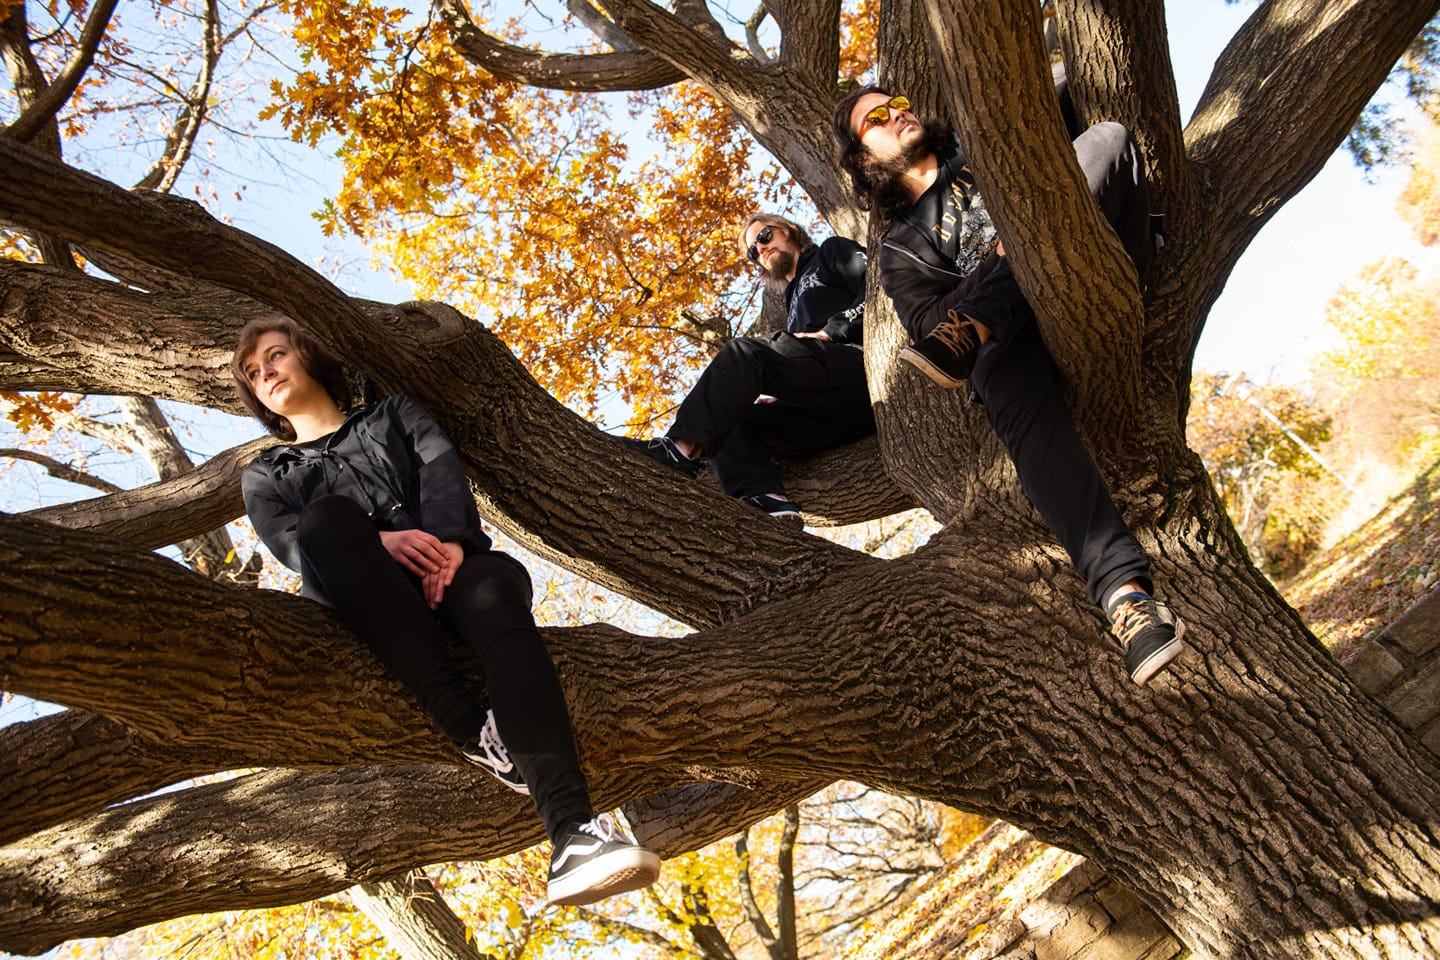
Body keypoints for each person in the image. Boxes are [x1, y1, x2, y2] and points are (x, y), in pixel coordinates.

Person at [233, 315, 660, 905]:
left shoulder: (394, 415)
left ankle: (572, 834)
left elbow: (440, 471)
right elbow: (292, 545)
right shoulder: (265, 474)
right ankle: (464, 723)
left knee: (496, 595)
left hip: (452, 567)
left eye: (276, 355)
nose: (267, 373)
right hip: (366, 601)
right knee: (324, 520)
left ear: (308, 356)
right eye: (254, 373)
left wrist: (450, 546)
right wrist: (381, 543)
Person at [831, 87, 1188, 686]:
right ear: (865, 159)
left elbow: (1083, 117)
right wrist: (1003, 260)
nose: (898, 113)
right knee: (997, 377)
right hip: (1017, 345)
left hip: (1092, 270)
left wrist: (1018, 244)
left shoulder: (988, 146)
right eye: (878, 118)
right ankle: (1128, 601)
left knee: (1105, 141)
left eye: (897, 101)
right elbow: (927, 327)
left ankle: (985, 313)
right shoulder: (897, 251)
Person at [623, 213, 875, 518]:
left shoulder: (830, 252)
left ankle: (680, 449)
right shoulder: (791, 302)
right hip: (830, 414)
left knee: (743, 351)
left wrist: (830, 331)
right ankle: (766, 501)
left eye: (765, 235)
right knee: (734, 414)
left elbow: (878, 283)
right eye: (752, 251)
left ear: (789, 231)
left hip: (859, 372)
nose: (761, 248)